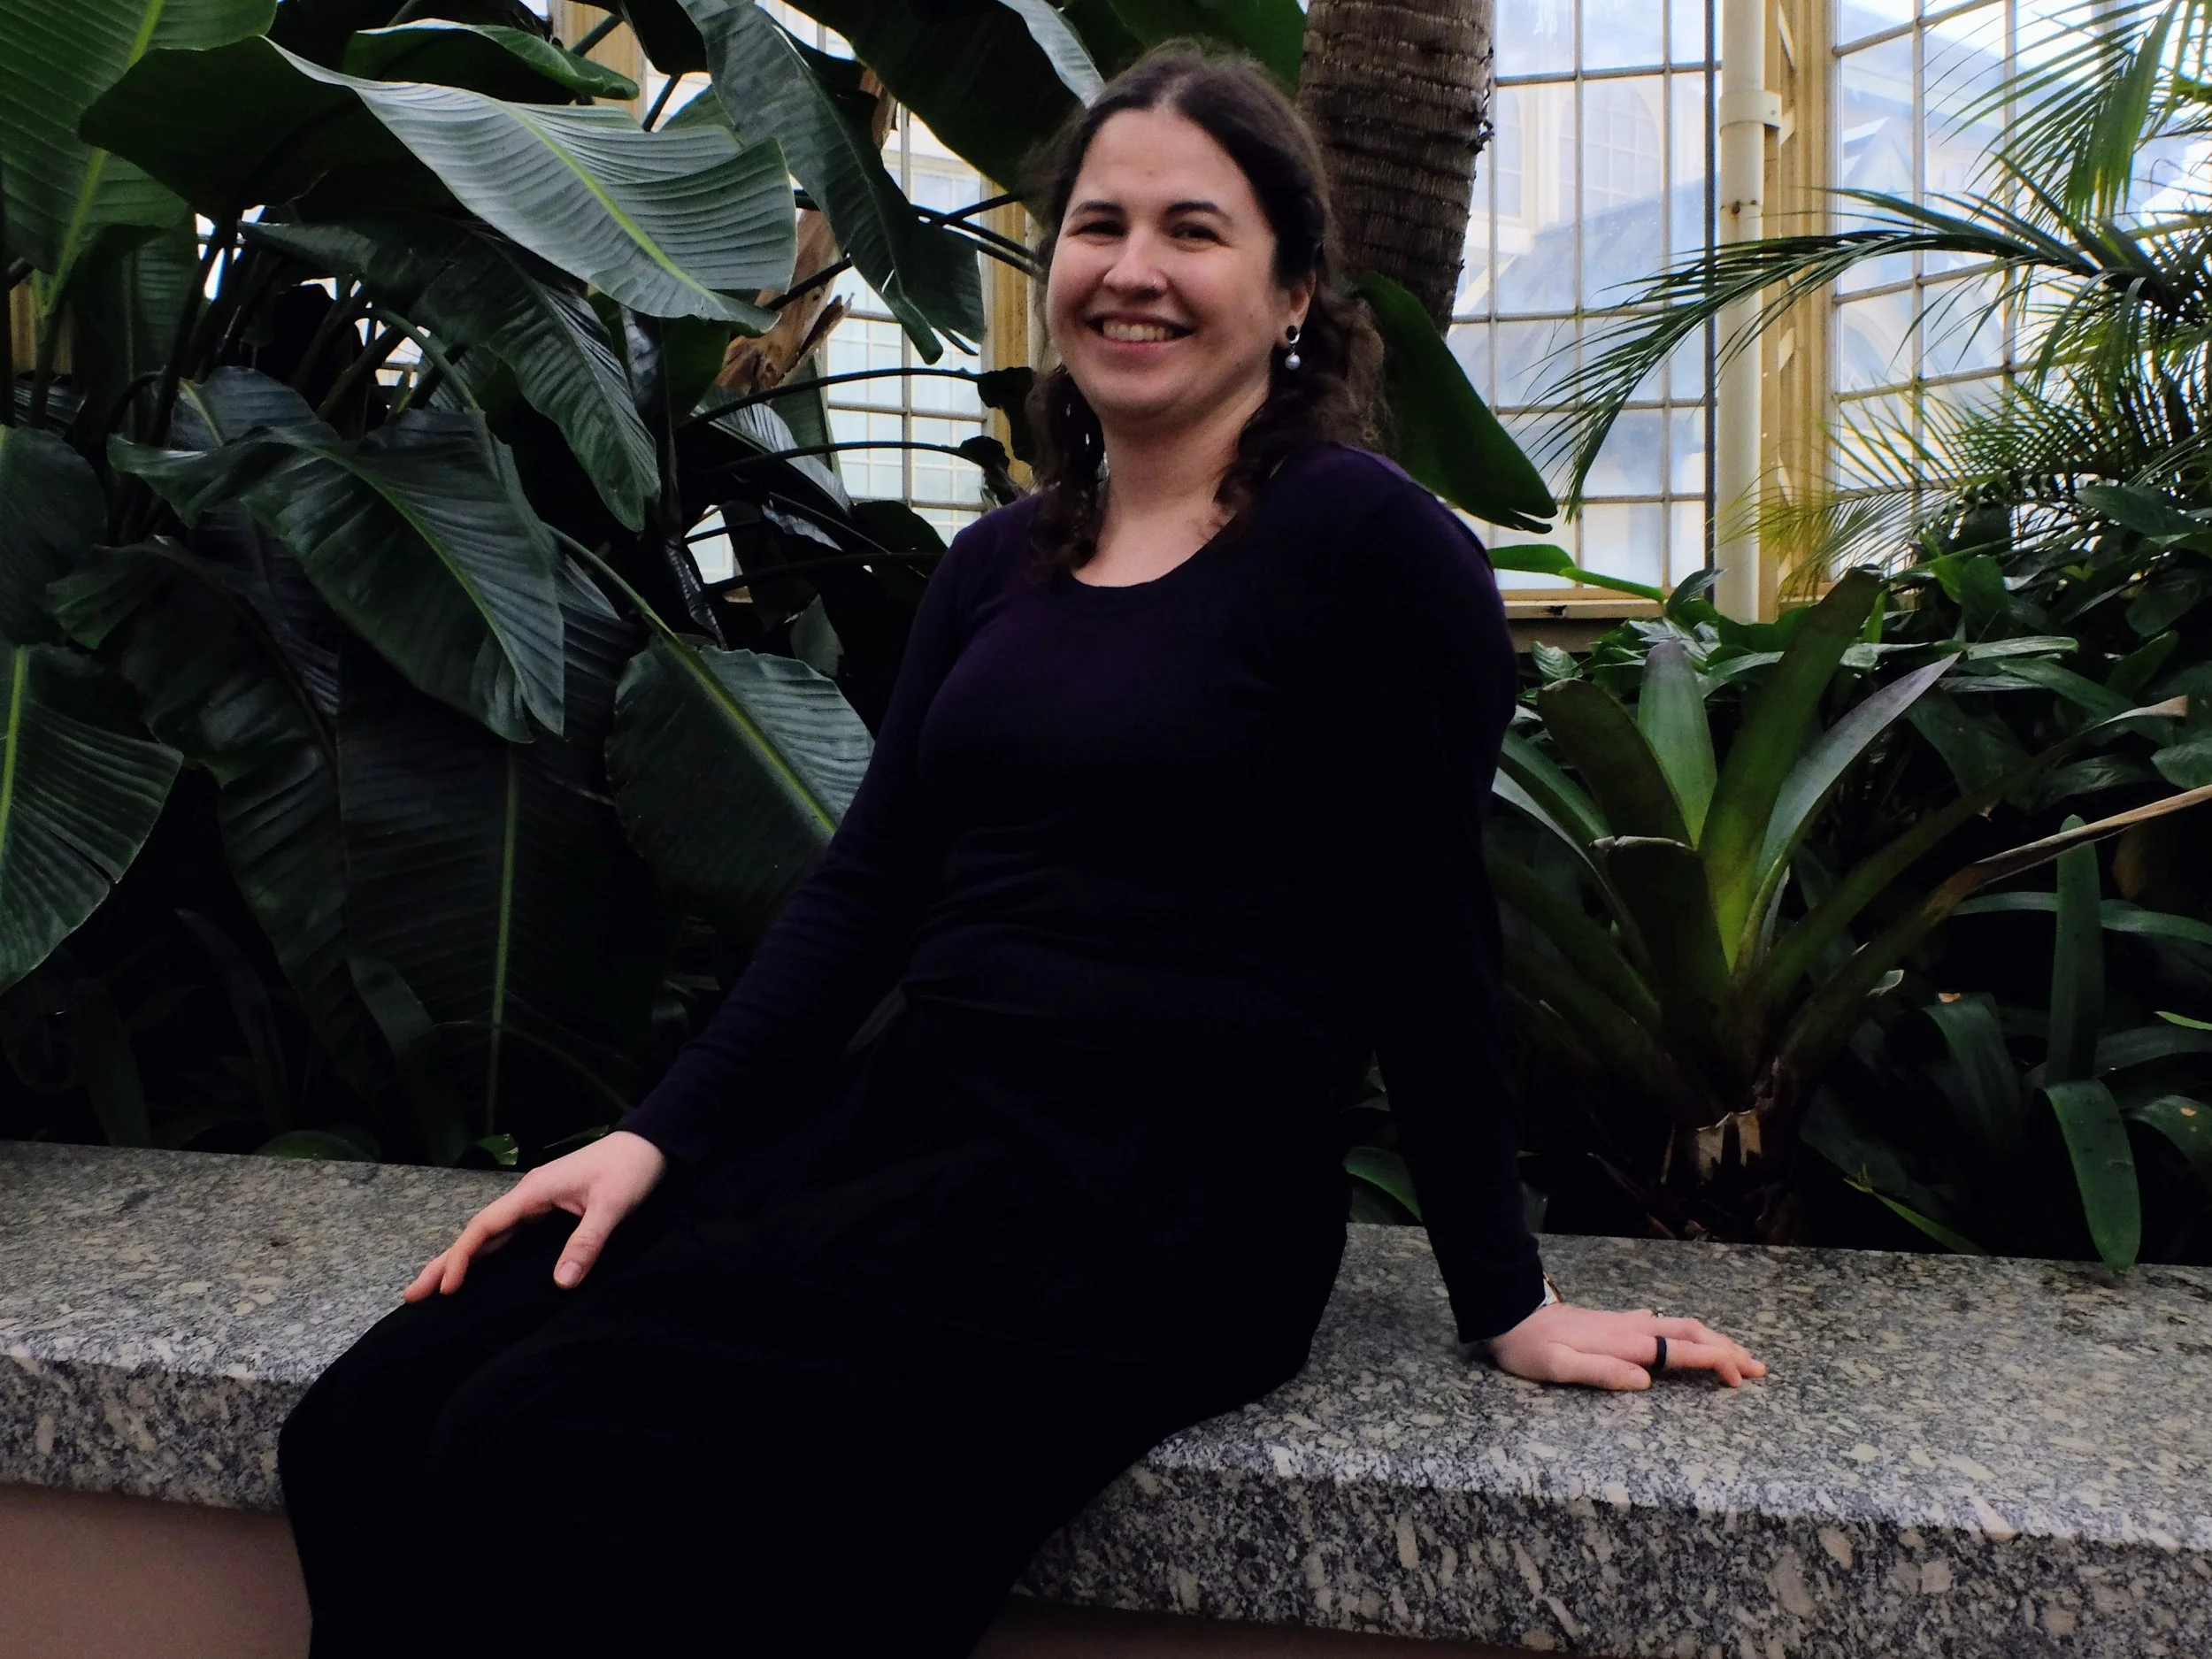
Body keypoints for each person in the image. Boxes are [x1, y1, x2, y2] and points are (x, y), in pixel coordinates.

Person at [278, 42, 1764, 1657]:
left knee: (554, 1452)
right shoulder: (999, 565)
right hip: (913, 1134)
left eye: (1193, 230)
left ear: (1295, 293)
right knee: (360, 1422)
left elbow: (1426, 930)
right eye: (1097, 225)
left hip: (1160, 1204)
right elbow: (867, 888)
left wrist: (1508, 1295)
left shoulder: (1373, 550)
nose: (1133, 270)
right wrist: (656, 1140)